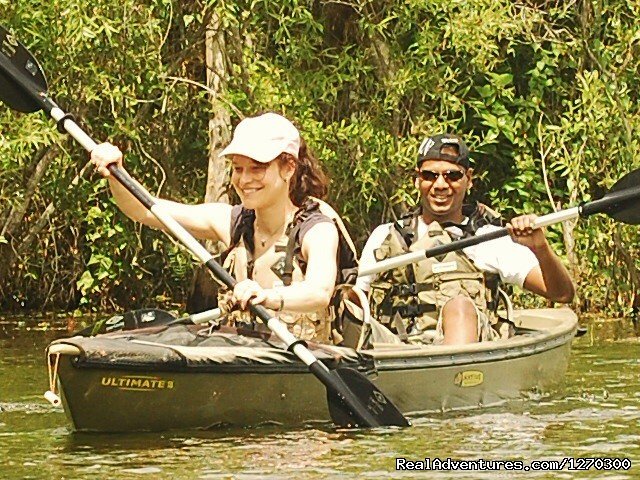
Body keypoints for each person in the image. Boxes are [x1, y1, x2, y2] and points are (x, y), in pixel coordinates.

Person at [91, 112, 357, 344]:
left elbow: (319, 292)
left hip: (302, 364)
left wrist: (265, 296)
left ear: (288, 167)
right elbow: (145, 211)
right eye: (238, 169)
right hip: (244, 358)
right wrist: (115, 172)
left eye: (257, 168)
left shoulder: (316, 229)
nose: (244, 179)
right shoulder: (232, 222)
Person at [356, 133, 575, 345]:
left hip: (463, 360)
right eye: (430, 176)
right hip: (396, 351)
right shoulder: (386, 236)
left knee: (459, 307)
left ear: (468, 179)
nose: (440, 184)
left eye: (452, 176)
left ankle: (448, 372)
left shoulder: (488, 238)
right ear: (417, 180)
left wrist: (540, 248)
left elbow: (562, 293)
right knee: (346, 306)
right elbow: (359, 301)